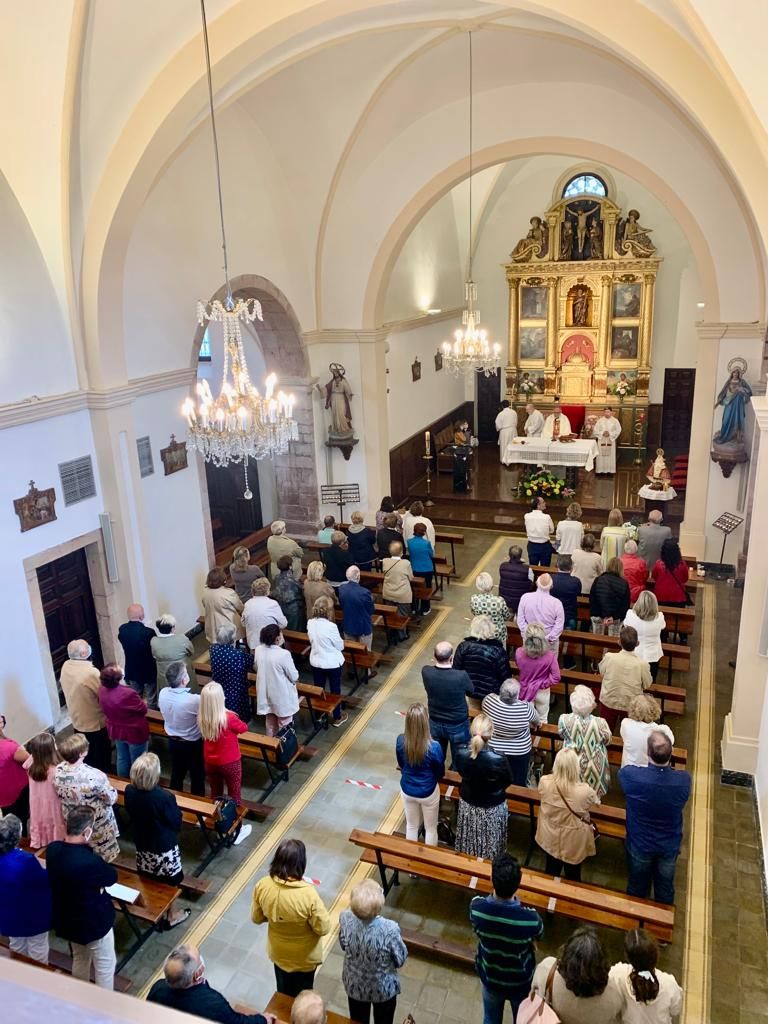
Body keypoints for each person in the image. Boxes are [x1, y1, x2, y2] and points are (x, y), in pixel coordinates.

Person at [47, 805, 117, 988]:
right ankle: (103, 1007)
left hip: (67, 918)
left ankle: (80, 996)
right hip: (94, 923)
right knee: (104, 965)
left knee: (79, 958)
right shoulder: (89, 862)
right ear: (87, 831)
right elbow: (111, 877)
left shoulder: (53, 850)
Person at [469, 852, 543, 1024]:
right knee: (522, 1019)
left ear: (492, 880)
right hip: (520, 980)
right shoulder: (530, 919)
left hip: (490, 976)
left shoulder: (477, 909)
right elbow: (539, 934)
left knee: (490, 1018)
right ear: (518, 885)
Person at [251, 838, 331, 995]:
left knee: (283, 993)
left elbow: (256, 918)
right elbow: (323, 928)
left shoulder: (262, 885)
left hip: (279, 953)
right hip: (305, 957)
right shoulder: (308, 895)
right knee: (304, 996)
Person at [620, 732, 691, 906]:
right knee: (665, 888)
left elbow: (623, 773)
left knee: (637, 886)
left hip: (640, 842)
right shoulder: (683, 780)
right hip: (669, 844)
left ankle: (636, 924)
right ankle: (662, 925)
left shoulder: (632, 776)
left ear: (648, 753)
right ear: (671, 753)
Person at [125, 752, 190, 917]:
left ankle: (154, 905)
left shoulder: (129, 790)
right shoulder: (164, 797)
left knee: (149, 876)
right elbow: (175, 821)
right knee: (171, 879)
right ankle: (172, 915)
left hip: (142, 840)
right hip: (163, 845)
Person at [339, 878, 408, 1024]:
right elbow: (400, 958)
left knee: (358, 1020)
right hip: (382, 988)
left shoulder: (345, 918)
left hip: (355, 985)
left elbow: (343, 944)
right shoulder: (390, 929)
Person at [148, 942, 270, 1022]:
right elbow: (237, 1022)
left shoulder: (158, 988)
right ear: (197, 974)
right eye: (199, 957)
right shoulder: (212, 1003)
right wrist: (263, 1019)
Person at [531, 926, 623, 1024]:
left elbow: (533, 992)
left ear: (567, 953)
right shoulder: (614, 997)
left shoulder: (547, 970)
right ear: (603, 961)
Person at [54, 733, 119, 862]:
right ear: (81, 754)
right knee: (102, 856)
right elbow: (110, 798)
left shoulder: (59, 770)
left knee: (81, 853)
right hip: (96, 823)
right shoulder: (94, 776)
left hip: (73, 819)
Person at [455, 714, 512, 860]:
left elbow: (461, 772)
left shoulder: (461, 753)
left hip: (469, 803)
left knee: (470, 837)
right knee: (490, 842)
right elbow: (508, 780)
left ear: (471, 730)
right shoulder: (498, 758)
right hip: (492, 806)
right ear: (491, 733)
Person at [536, 747, 597, 881]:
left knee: (551, 870)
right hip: (573, 839)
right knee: (573, 875)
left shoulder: (545, 782)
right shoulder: (584, 791)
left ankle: (549, 896)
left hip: (550, 834)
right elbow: (591, 803)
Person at [0, 814, 52, 963]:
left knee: (16, 948)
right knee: (38, 953)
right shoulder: (25, 861)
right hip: (32, 916)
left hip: (9, 916)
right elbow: (44, 880)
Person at [395, 703, 445, 846]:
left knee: (411, 826)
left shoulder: (400, 740)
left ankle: (410, 857)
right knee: (430, 829)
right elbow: (439, 772)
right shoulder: (434, 747)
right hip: (428, 791)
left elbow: (401, 764)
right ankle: (429, 859)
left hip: (407, 789)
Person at [609, 928, 683, 1022]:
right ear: (656, 956)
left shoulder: (618, 974)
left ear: (628, 957)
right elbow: (676, 1010)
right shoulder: (669, 984)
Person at [59, 638, 111, 773]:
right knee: (101, 759)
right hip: (94, 723)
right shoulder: (90, 672)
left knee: (85, 755)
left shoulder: (66, 666)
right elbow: (104, 694)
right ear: (83, 654)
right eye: (87, 646)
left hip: (78, 720)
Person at [421, 642, 473, 766]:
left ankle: (441, 779)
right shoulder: (460, 676)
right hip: (457, 723)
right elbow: (471, 690)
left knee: (437, 756)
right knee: (460, 758)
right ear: (452, 658)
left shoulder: (426, 672)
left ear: (434, 656)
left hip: (435, 721)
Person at [558, 685, 612, 800]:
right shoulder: (601, 723)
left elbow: (562, 735)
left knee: (572, 796)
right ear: (592, 705)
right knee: (594, 797)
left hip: (571, 763)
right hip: (594, 766)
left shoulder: (564, 719)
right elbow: (608, 740)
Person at [159, 661, 205, 795]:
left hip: (173, 740)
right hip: (192, 742)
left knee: (177, 772)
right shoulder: (193, 700)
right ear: (184, 679)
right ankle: (198, 805)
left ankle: (175, 799)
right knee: (197, 775)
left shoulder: (163, 693)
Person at [198, 681, 248, 804]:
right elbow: (243, 728)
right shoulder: (229, 718)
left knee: (215, 793)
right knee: (234, 794)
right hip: (230, 761)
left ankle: (217, 819)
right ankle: (236, 822)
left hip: (210, 761)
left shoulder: (202, 717)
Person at [482, 679, 539, 786]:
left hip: (494, 747)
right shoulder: (525, 708)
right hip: (519, 750)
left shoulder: (489, 700)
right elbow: (536, 720)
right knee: (518, 779)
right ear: (517, 696)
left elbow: (483, 708)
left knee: (497, 777)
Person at [98, 663, 149, 777]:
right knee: (138, 761)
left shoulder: (102, 690)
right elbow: (143, 709)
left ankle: (122, 782)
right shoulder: (128, 693)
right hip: (134, 730)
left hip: (117, 729)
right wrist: (144, 702)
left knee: (122, 757)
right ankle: (138, 783)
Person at [598, 625, 652, 733]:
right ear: (637, 643)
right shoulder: (642, 664)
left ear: (619, 642)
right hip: (630, 705)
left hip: (609, 701)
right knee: (629, 735)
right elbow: (647, 684)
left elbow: (601, 672)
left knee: (605, 733)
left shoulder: (609, 657)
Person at [307, 597, 347, 728]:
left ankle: (319, 714)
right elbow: (340, 646)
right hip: (331, 662)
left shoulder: (310, 623)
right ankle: (337, 716)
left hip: (316, 660)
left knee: (319, 688)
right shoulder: (331, 627)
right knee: (335, 689)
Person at [254, 624, 301, 736]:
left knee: (270, 723)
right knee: (284, 724)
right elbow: (294, 676)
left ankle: (271, 747)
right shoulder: (283, 654)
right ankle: (284, 750)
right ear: (277, 638)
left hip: (265, 692)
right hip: (281, 694)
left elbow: (256, 667)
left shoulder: (258, 650)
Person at [453, 615, 510, 700]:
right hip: (491, 694)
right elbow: (505, 676)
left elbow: (456, 670)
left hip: (470, 690)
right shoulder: (498, 651)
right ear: (491, 630)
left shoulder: (463, 647)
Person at [24, 731, 65, 847]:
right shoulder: (56, 770)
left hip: (37, 803)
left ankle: (41, 841)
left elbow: (25, 764)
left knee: (40, 822)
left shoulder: (32, 763)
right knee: (56, 823)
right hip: (53, 805)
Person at [515, 622, 561, 723]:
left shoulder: (519, 652)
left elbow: (519, 666)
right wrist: (542, 684)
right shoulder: (550, 656)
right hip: (542, 690)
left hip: (525, 688)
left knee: (526, 719)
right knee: (543, 718)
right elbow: (556, 677)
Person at [210, 623, 253, 723]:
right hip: (236, 689)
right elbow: (251, 663)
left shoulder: (213, 649)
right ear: (232, 638)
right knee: (239, 714)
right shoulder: (239, 654)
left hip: (220, 686)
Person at [118, 603, 157, 707]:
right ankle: (153, 715)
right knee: (151, 697)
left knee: (135, 697)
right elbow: (154, 649)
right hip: (148, 668)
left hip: (132, 668)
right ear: (141, 616)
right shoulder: (148, 632)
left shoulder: (122, 630)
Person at [620, 694, 674, 768]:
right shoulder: (662, 731)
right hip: (649, 770)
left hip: (628, 767)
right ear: (654, 710)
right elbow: (670, 743)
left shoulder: (626, 724)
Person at [652, 539, 690, 641]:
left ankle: (663, 635)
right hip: (678, 597)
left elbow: (654, 577)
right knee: (679, 617)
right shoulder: (682, 564)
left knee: (662, 616)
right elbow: (685, 579)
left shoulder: (659, 564)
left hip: (661, 596)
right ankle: (683, 636)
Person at [517, 574, 565, 653]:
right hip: (548, 643)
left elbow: (520, 620)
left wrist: (529, 635)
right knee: (549, 664)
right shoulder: (557, 603)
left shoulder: (525, 598)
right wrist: (548, 638)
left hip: (529, 640)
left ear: (536, 583)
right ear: (551, 586)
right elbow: (559, 625)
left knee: (530, 662)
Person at [624, 591, 666, 681]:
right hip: (653, 655)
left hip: (634, 653)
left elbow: (625, 625)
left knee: (633, 681)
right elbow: (663, 626)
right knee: (650, 682)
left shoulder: (630, 615)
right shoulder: (660, 617)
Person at [338, 566, 376, 656]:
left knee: (351, 651)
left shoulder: (342, 589)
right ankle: (367, 670)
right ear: (358, 576)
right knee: (366, 651)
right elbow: (371, 610)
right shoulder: (364, 592)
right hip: (363, 625)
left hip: (348, 624)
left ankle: (351, 668)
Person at [0, 714, 30, 824]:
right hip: (18, 792)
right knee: (21, 820)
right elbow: (29, 761)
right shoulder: (9, 748)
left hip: (3, 796)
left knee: (9, 821)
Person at [243, 577, 288, 650]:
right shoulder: (272, 604)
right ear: (267, 591)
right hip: (272, 644)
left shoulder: (247, 604)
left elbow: (243, 623)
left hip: (254, 644)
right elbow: (283, 624)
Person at [151, 614, 194, 692]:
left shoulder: (154, 641)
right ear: (173, 628)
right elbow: (191, 652)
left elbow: (154, 655)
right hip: (182, 673)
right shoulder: (182, 639)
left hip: (164, 676)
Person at [381, 541, 413, 642]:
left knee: (390, 613)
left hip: (388, 592)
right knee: (403, 614)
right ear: (401, 552)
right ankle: (402, 634)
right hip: (402, 594)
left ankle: (391, 631)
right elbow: (411, 577)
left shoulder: (385, 561)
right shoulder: (406, 563)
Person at [201, 568, 243, 646]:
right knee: (232, 647)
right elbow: (240, 607)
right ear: (223, 580)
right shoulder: (229, 593)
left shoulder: (205, 592)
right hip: (228, 627)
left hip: (212, 626)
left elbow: (204, 605)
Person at [590, 557, 631, 636]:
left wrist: (601, 616)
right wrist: (614, 617)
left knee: (597, 639)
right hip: (615, 617)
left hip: (598, 615)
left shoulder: (598, 579)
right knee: (614, 640)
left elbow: (593, 599)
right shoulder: (624, 583)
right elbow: (625, 605)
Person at [470, 572, 510, 640]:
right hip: (497, 634)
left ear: (478, 586)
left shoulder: (474, 599)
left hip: (480, 632)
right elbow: (506, 616)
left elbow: (473, 612)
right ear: (491, 585)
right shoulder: (499, 600)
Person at [272, 555, 306, 631]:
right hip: (294, 611)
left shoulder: (276, 578)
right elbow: (302, 593)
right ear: (290, 566)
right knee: (297, 630)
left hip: (281, 608)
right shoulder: (293, 581)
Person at [407, 522, 434, 615]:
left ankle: (414, 607)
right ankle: (425, 608)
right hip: (426, 569)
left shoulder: (409, 542)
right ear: (424, 532)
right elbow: (431, 554)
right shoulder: (426, 543)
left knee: (414, 588)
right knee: (426, 588)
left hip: (414, 568)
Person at [498, 545, 534, 614]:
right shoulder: (527, 569)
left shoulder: (503, 566)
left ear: (509, 555)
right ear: (520, 556)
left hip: (505, 598)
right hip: (521, 599)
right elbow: (531, 582)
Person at [551, 553, 581, 631]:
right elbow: (578, 592)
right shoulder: (575, 581)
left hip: (553, 614)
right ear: (571, 567)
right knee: (570, 638)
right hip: (569, 615)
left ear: (557, 565)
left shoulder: (550, 579)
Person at [524, 497, 555, 566]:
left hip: (532, 546)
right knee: (545, 567)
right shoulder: (547, 517)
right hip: (544, 546)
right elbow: (552, 530)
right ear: (538, 505)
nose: (545, 503)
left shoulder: (527, 516)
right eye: (543, 502)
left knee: (533, 567)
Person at [593, 407, 622, 474]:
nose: (607, 413)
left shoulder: (615, 421)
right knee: (600, 455)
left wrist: (610, 434)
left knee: (610, 456)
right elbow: (595, 430)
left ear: (611, 412)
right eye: (605, 412)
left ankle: (610, 471)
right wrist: (602, 433)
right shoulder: (600, 421)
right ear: (603, 412)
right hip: (601, 439)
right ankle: (600, 471)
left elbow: (618, 430)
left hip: (610, 440)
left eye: (608, 412)